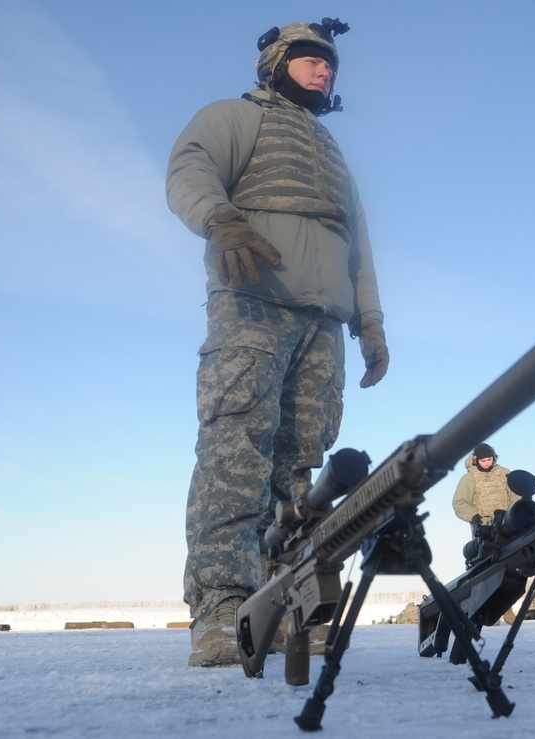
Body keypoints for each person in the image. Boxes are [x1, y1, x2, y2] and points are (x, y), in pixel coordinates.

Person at [165, 18, 389, 667]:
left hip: (323, 326)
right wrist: (220, 217)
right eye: (312, 59)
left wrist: (369, 318)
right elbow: (190, 167)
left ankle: (284, 608)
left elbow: (359, 246)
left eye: (331, 64)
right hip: (253, 304)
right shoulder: (237, 118)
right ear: (275, 62)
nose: (325, 70)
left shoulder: (332, 154)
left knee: (298, 474)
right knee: (235, 452)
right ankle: (218, 610)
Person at [452, 443, 521, 534]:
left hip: (507, 523)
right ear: (476, 460)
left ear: (494, 457)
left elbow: (516, 494)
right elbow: (459, 503)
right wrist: (473, 516)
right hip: (483, 528)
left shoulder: (504, 473)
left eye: (489, 459)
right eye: (483, 460)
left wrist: (514, 513)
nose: (487, 463)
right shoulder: (468, 478)